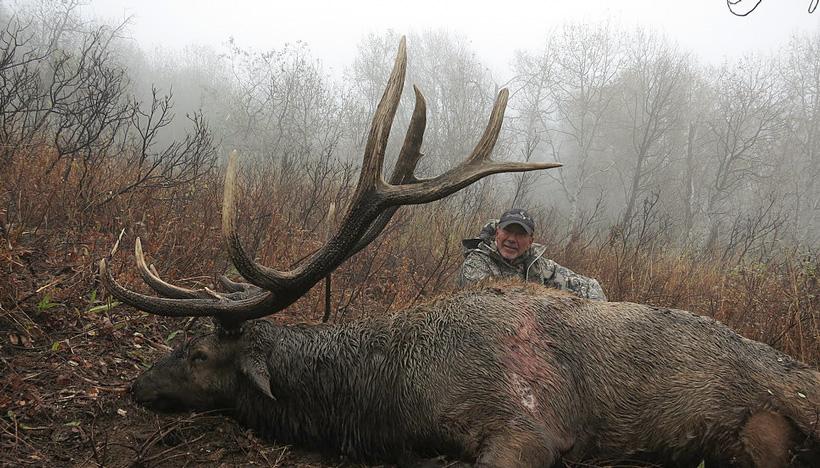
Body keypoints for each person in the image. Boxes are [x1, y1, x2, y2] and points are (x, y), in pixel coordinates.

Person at [457, 209, 607, 301]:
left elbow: (589, 286)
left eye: (520, 234)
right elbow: (493, 307)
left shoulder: (540, 266)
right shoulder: (476, 264)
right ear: (497, 233)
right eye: (507, 231)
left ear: (530, 241)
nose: (511, 239)